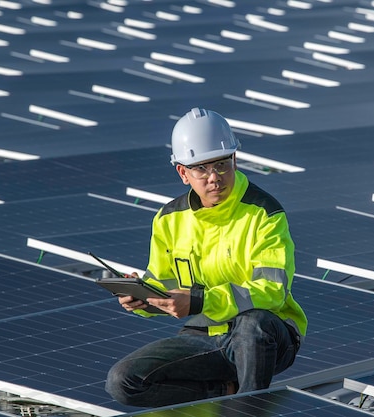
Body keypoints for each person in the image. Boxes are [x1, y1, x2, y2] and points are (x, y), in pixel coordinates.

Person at [105, 107, 307, 407]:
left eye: (222, 164)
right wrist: (143, 298)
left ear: (234, 160)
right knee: (123, 381)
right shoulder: (168, 219)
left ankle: (249, 410)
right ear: (183, 173)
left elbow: (272, 292)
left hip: (267, 340)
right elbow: (166, 287)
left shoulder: (264, 213)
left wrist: (199, 301)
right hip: (204, 336)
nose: (215, 177)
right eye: (201, 168)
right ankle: (225, 393)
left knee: (253, 324)